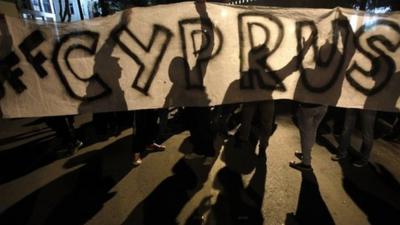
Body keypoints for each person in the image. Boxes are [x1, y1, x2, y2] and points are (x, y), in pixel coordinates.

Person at [289, 103, 328, 171]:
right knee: (313, 129)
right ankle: (306, 154)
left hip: (308, 106)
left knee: (305, 133)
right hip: (324, 105)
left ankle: (306, 163)